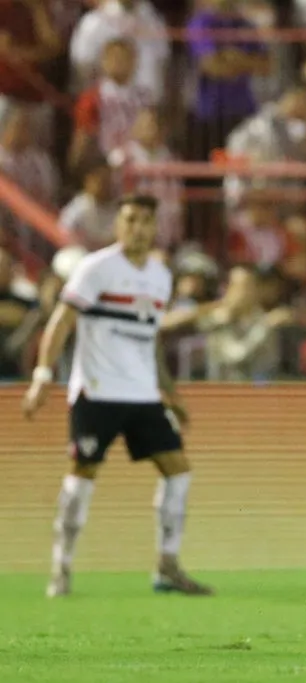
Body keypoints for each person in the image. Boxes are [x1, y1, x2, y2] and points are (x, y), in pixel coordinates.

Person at [21, 194, 212, 599]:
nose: (138, 228)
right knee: (83, 475)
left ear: (154, 227)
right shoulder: (96, 269)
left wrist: (169, 391)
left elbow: (150, 340)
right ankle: (62, 567)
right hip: (97, 391)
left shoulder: (160, 276)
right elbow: (62, 321)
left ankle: (167, 565)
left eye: (145, 221)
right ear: (118, 225)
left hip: (142, 393)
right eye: (130, 220)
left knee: (178, 470)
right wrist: (42, 375)